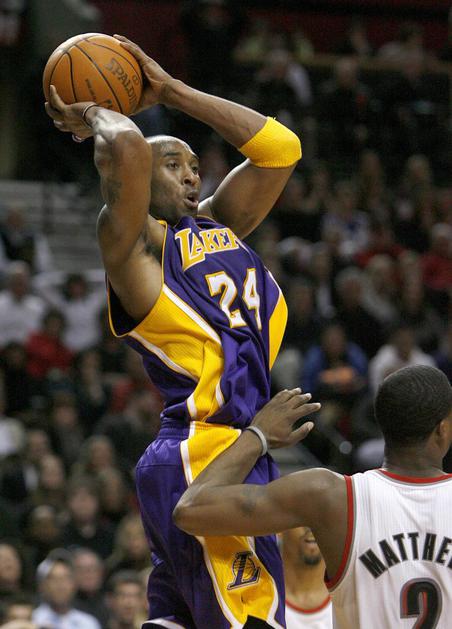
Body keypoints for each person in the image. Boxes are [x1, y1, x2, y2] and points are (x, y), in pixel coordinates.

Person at [45, 33, 301, 629]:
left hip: (229, 452)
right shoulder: (136, 248)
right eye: (173, 165)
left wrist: (173, 91)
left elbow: (280, 149)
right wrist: (94, 111)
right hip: (205, 452)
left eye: (194, 167)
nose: (191, 176)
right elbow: (128, 147)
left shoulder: (217, 226)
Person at [174, 365, 452, 628]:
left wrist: (257, 436)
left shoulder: (331, 496)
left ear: (382, 425)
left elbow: (190, 509)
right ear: (443, 428)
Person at [33, 550, 101, 629]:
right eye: (53, 579)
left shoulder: (88, 623)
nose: (60, 585)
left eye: (66, 578)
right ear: (43, 586)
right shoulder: (33, 620)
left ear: (75, 584)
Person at [282, 527, 332, 629]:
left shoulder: (354, 592)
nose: (312, 524)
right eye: (301, 519)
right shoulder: (258, 597)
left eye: (320, 518)